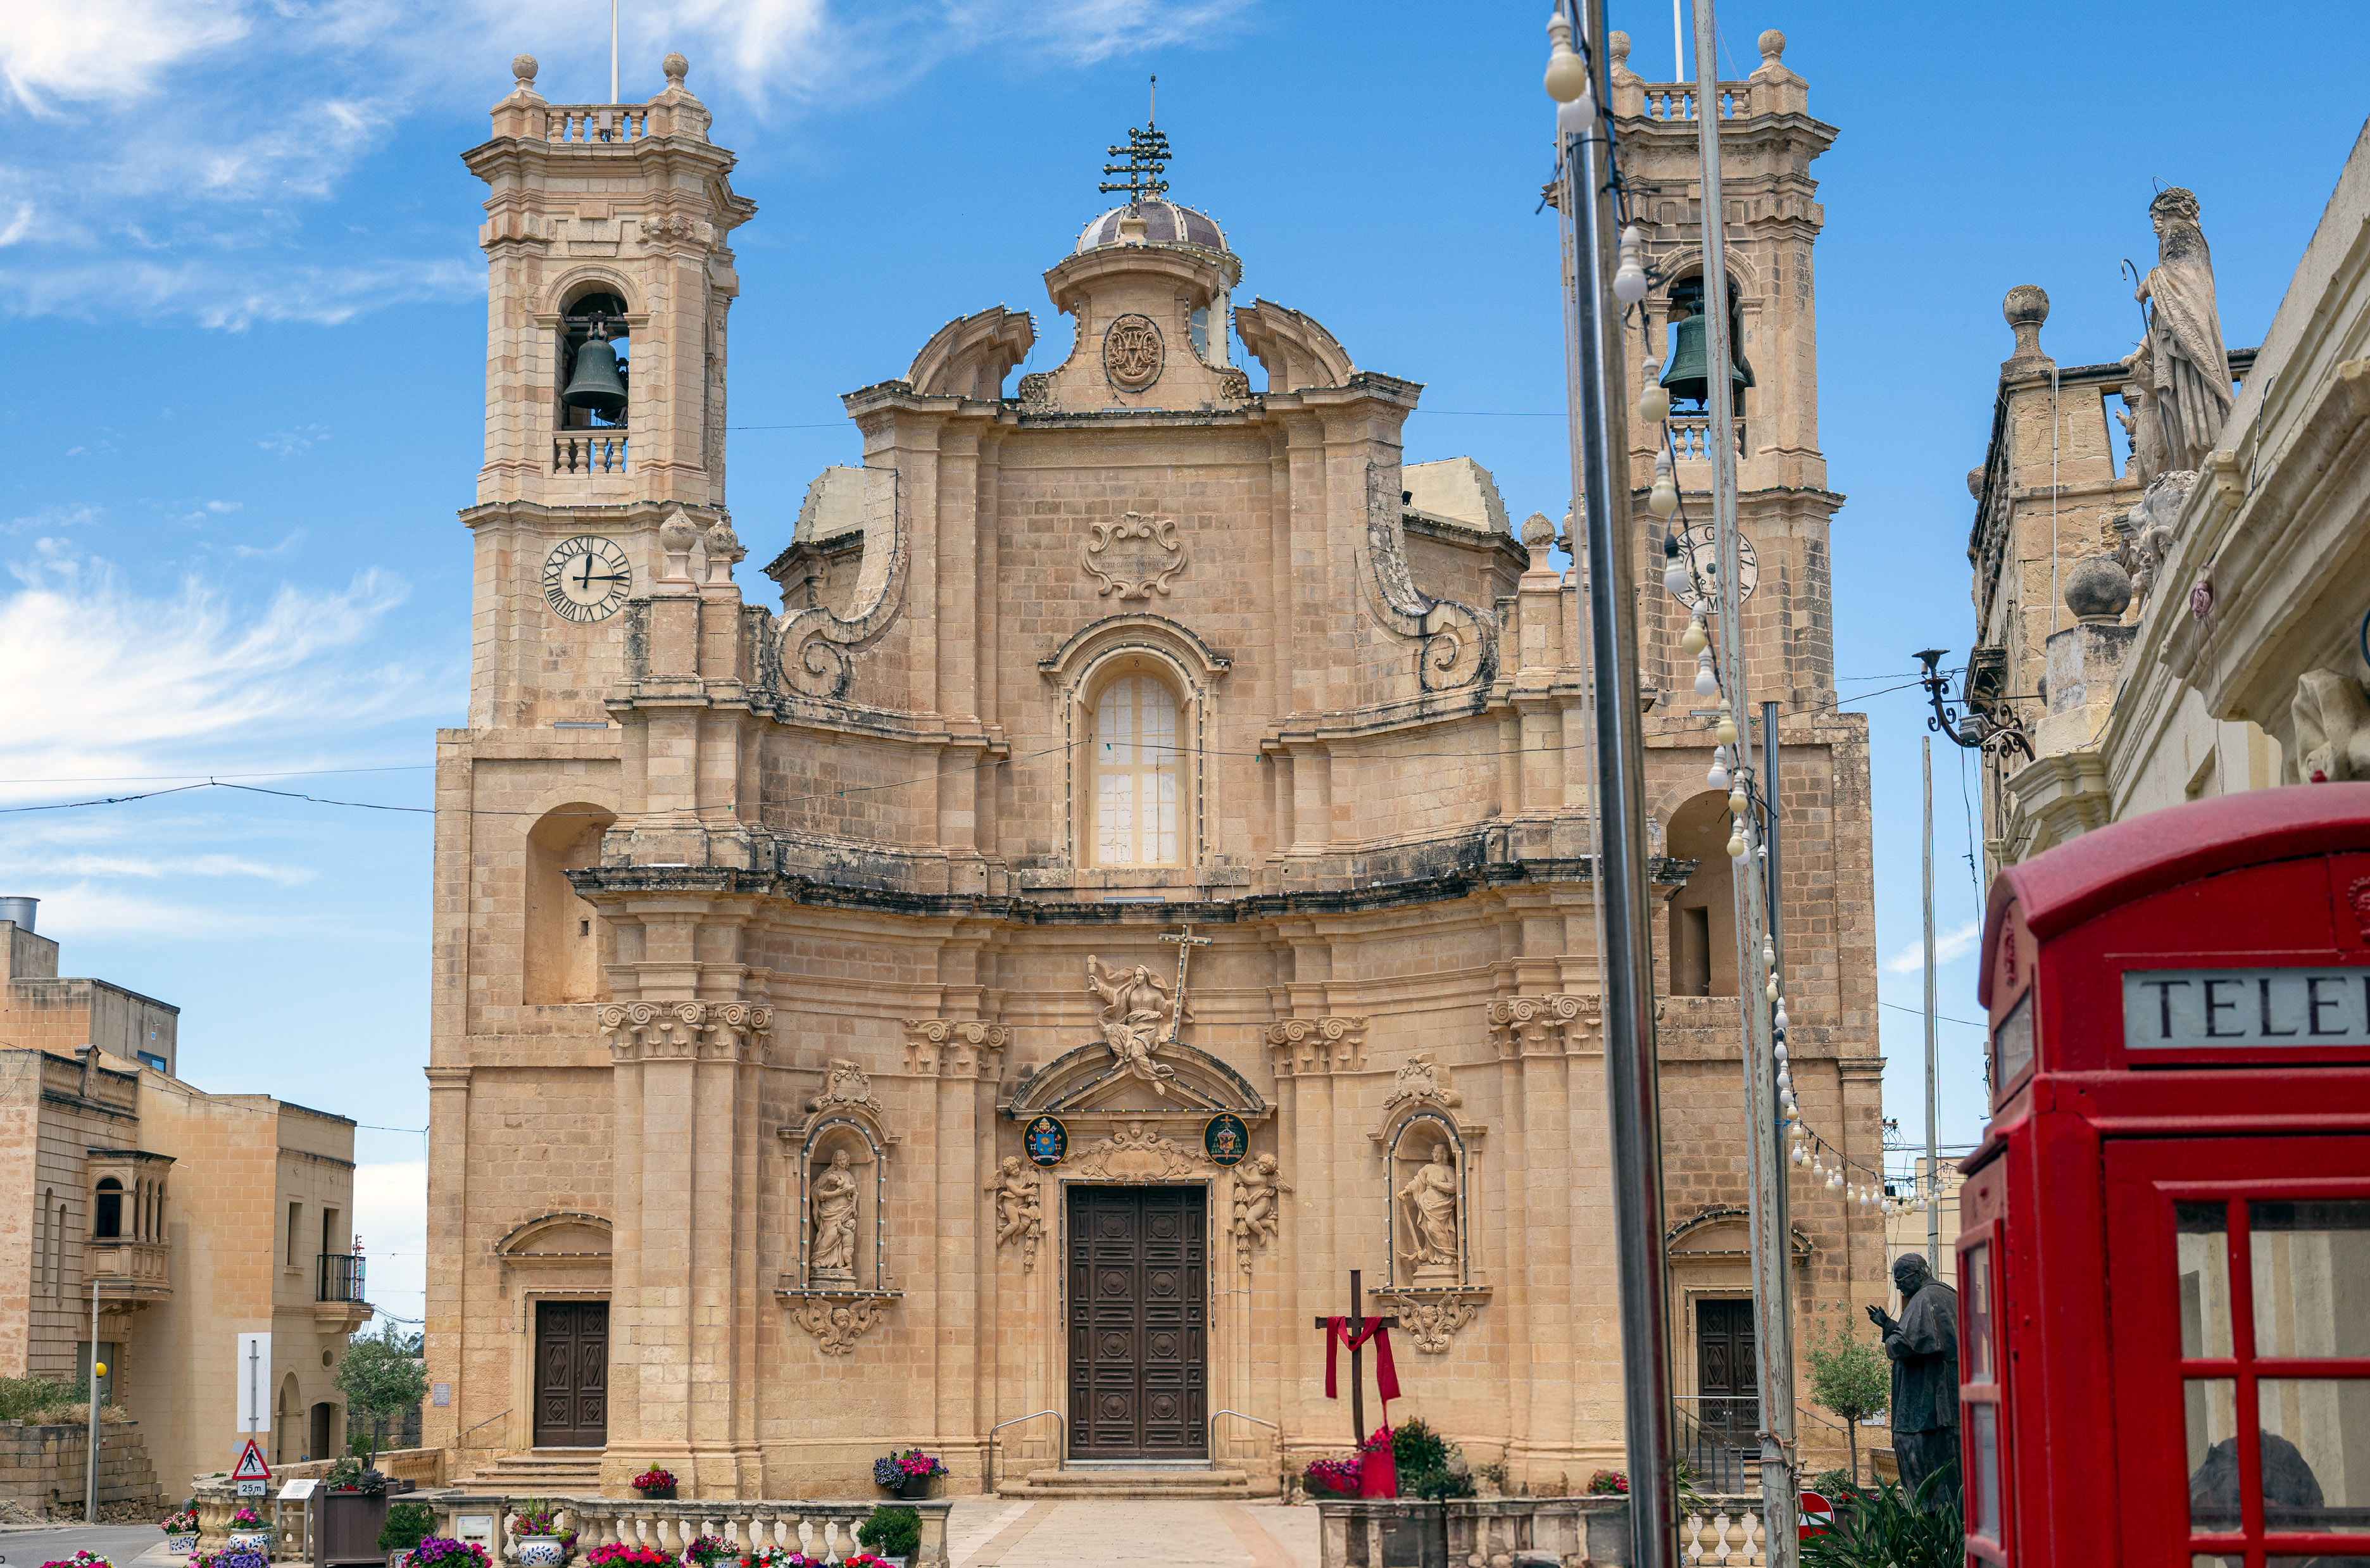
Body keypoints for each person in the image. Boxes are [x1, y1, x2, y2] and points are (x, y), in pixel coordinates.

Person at [1868, 1251, 1960, 1510]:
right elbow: (1925, 1338)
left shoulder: (1925, 1298)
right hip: (1944, 1405)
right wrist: (1888, 1324)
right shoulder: (1948, 1294)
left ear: (1919, 1274)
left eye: (1901, 1282)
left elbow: (1904, 1345)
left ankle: (1930, 1523)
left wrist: (1890, 1335)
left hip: (1925, 1409)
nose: (1900, 1289)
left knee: (1917, 1463)